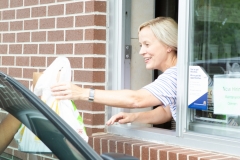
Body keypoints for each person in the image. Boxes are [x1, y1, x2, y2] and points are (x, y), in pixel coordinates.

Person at [51, 17, 178, 126]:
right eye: (141, 45)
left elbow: (136, 99)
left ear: (168, 45)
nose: (141, 52)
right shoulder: (177, 73)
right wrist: (134, 117)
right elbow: (166, 112)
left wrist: (83, 93)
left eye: (147, 44)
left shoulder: (175, 75)